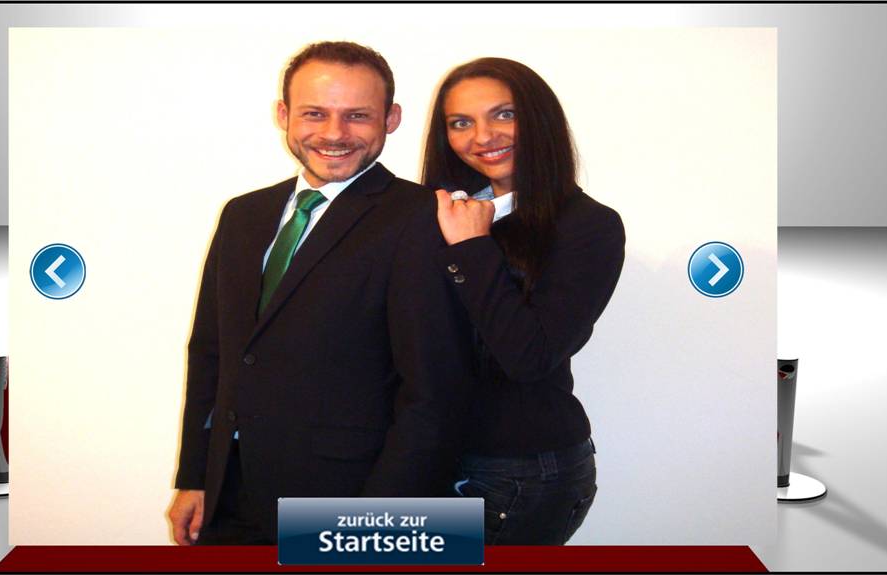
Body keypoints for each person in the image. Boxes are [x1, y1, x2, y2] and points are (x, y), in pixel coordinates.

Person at [167, 41, 474, 545]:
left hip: (347, 498)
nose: (334, 133)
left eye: (357, 115)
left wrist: (378, 522)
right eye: (315, 113)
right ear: (283, 115)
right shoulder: (242, 215)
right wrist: (195, 476)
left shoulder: (423, 218)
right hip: (229, 494)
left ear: (391, 118)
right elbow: (212, 353)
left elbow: (433, 393)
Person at [422, 57, 626, 545]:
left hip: (520, 469)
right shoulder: (446, 211)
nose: (483, 136)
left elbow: (529, 357)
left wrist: (472, 249)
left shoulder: (588, 225)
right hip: (437, 452)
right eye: (461, 122)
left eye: (504, 114)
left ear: (538, 117)